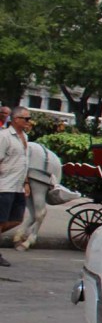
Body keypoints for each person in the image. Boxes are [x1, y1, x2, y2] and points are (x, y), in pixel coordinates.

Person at [0, 108, 33, 268]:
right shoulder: (4, 136)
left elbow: (24, 163)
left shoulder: (24, 137)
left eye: (29, 119)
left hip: (18, 185)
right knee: (1, 219)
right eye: (25, 119)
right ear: (15, 119)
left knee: (16, 219)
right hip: (4, 184)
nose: (28, 122)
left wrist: (26, 183)